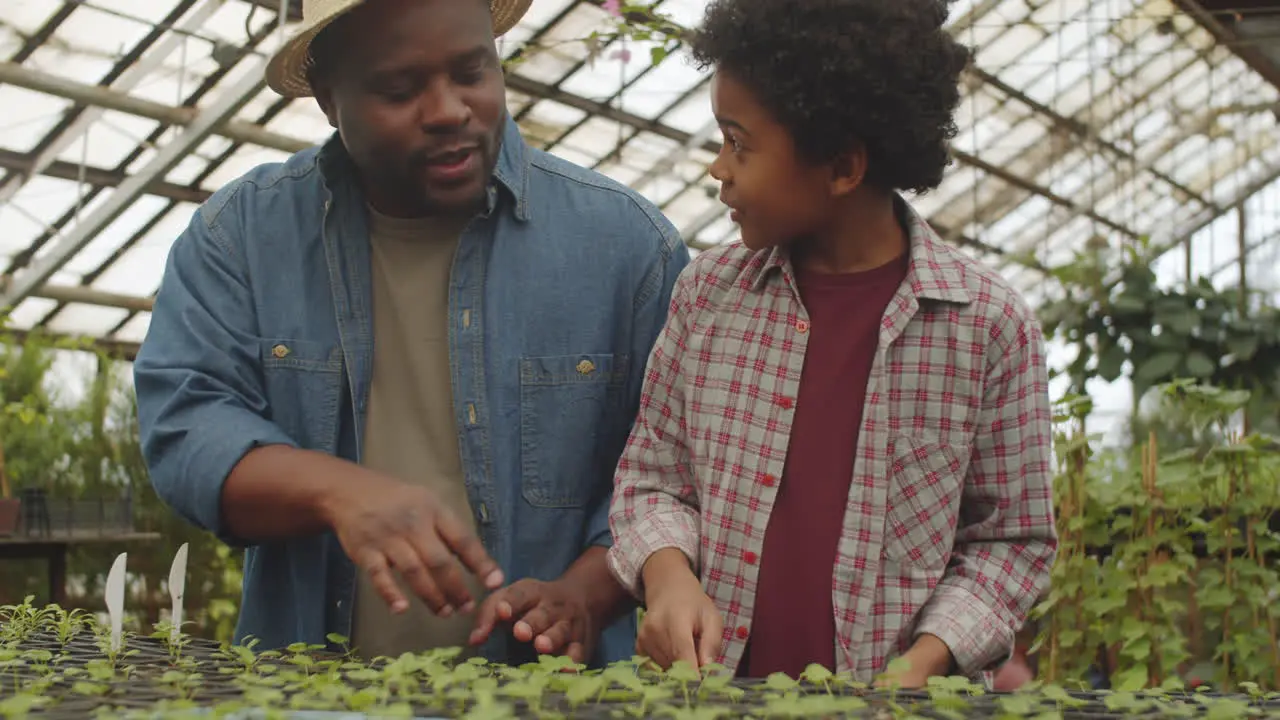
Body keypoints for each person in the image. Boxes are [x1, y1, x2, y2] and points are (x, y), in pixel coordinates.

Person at [133, 0, 690, 668]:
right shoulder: (245, 238)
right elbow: (184, 425)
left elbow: (678, 474)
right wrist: (336, 491)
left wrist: (585, 594)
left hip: (553, 701)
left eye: (472, 72)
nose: (449, 109)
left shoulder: (625, 248)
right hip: (311, 697)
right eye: (401, 89)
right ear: (329, 99)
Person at [606, 0, 1057, 687]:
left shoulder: (986, 327)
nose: (718, 169)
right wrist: (668, 580)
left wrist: (921, 662)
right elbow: (651, 481)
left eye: (739, 143)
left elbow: (1009, 543)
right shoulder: (709, 297)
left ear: (842, 166)